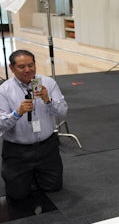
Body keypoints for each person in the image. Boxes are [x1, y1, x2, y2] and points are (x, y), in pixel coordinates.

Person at [0, 50, 68, 201]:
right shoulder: (4, 90)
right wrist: (17, 113)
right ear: (11, 68)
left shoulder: (48, 83)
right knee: (17, 195)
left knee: (54, 187)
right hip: (17, 151)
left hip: (47, 146)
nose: (28, 70)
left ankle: (35, 174)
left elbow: (63, 111)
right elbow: (1, 125)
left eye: (31, 65)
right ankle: (27, 176)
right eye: (22, 66)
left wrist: (48, 100)